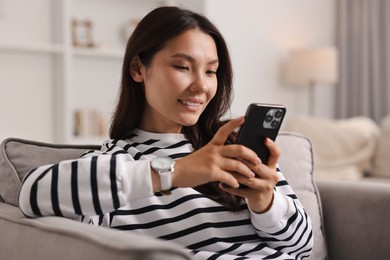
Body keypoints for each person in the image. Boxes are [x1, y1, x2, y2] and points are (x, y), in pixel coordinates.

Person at [19, 6, 313, 259]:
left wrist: (265, 203)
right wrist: (173, 172)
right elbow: (33, 194)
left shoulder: (234, 146)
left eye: (211, 71)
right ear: (138, 69)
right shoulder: (117, 163)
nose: (201, 86)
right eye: (183, 66)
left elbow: (303, 248)